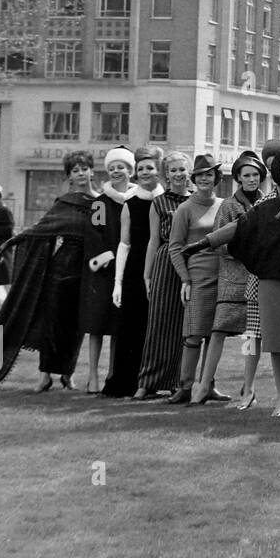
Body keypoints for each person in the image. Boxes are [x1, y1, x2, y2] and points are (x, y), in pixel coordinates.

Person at [0, 152, 93, 390]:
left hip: (87, 271)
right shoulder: (64, 203)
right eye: (75, 170)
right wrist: (9, 243)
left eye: (84, 168)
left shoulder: (101, 202)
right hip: (60, 269)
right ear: (69, 177)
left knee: (75, 327)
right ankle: (45, 376)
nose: (81, 173)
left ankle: (68, 375)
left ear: (92, 171)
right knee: (52, 324)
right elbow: (41, 229)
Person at [224, 145, 280, 416]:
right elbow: (236, 235)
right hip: (260, 283)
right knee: (259, 340)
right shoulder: (255, 207)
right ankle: (256, 389)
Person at [203, 150, 266, 409]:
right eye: (246, 176)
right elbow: (217, 242)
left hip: (257, 280)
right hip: (232, 279)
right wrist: (244, 253)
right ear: (238, 178)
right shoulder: (228, 206)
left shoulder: (266, 203)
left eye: (255, 175)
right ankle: (204, 383)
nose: (251, 180)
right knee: (218, 331)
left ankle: (247, 385)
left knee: (252, 335)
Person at [167, 154, 227, 404]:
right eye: (200, 174)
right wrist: (185, 280)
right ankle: (185, 386)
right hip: (198, 276)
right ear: (194, 178)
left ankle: (208, 384)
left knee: (215, 334)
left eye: (209, 174)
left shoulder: (224, 205)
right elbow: (175, 247)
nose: (205, 178)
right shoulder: (185, 208)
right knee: (193, 333)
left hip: (222, 276)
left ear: (216, 178)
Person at [104, 146, 162, 397]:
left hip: (161, 266)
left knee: (157, 326)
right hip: (135, 269)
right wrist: (118, 282)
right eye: (140, 169)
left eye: (149, 167)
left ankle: (154, 382)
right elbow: (124, 243)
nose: (145, 172)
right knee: (131, 327)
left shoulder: (167, 199)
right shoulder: (130, 202)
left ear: (158, 170)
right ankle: (126, 382)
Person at [135, 151, 191, 399]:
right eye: (174, 170)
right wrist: (147, 276)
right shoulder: (158, 203)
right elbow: (153, 241)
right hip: (165, 263)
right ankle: (147, 382)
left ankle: (178, 382)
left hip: (191, 263)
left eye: (182, 169)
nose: (178, 174)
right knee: (158, 323)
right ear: (166, 174)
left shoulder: (196, 200)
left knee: (184, 325)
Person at [80, 146, 134, 394]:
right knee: (98, 325)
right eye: (111, 168)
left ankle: (113, 373)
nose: (116, 172)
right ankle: (92, 376)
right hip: (103, 273)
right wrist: (112, 260)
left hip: (128, 271)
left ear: (130, 170)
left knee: (119, 328)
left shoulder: (137, 201)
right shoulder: (100, 204)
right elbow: (94, 237)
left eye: (120, 167)